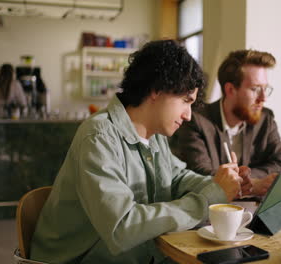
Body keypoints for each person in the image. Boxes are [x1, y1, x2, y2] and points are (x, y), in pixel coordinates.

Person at [30, 40, 247, 264]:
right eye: (185, 101)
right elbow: (123, 227)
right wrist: (210, 198)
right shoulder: (98, 137)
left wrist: (220, 185)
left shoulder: (155, 136)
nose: (188, 115)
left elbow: (176, 178)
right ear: (156, 89)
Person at [170, 50, 281, 196]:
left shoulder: (265, 118)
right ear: (230, 90)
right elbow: (200, 173)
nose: (263, 98)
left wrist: (249, 179)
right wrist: (250, 184)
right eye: (255, 89)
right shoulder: (196, 121)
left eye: (265, 89)